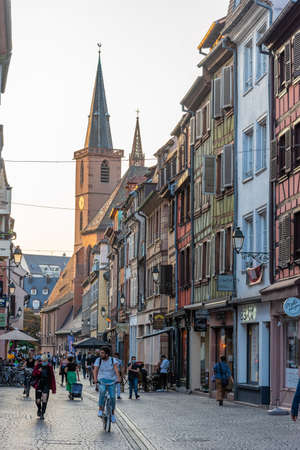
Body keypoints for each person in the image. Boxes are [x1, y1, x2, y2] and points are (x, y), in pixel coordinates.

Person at [93, 347, 120, 424]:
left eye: (102, 353)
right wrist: (95, 379)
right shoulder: (98, 360)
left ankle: (112, 414)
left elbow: (116, 370)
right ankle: (100, 409)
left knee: (112, 397)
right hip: (102, 380)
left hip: (112, 381)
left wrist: (118, 378)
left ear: (107, 354)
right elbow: (95, 370)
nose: (100, 354)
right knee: (102, 391)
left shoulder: (112, 360)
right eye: (100, 353)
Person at [32, 353, 56, 420]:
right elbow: (33, 374)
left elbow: (52, 377)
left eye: (45, 361)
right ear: (41, 360)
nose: (44, 362)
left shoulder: (49, 367)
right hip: (39, 384)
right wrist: (38, 372)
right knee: (38, 400)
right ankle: (39, 409)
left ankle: (42, 413)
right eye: (43, 361)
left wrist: (53, 388)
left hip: (46, 384)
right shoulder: (38, 366)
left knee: (45, 399)